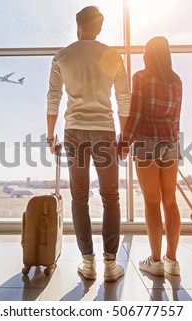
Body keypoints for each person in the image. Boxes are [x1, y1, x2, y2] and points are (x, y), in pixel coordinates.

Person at [46, 6, 131, 282]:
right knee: (111, 197)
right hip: (104, 130)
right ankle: (110, 264)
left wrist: (50, 136)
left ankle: (88, 262)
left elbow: (53, 98)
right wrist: (125, 137)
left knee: (79, 197)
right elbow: (124, 99)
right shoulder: (113, 55)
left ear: (78, 25)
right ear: (100, 28)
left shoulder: (62, 56)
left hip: (74, 131)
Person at [119, 36, 183, 276]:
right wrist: (173, 143)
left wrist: (125, 142)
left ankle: (155, 262)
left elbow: (135, 113)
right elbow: (176, 117)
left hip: (146, 141)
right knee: (170, 200)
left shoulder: (141, 77)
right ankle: (172, 261)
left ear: (148, 54)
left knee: (151, 201)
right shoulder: (176, 80)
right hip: (171, 143)